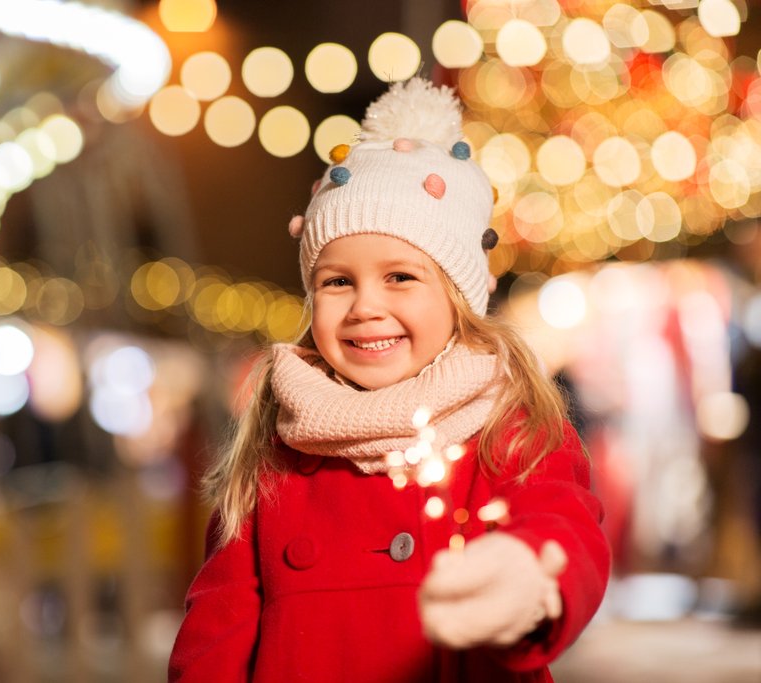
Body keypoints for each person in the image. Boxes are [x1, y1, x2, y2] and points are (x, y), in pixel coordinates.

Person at [168, 77, 610, 683]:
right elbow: (214, 637)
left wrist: (531, 576)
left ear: (457, 297)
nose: (364, 307)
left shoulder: (505, 425)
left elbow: (565, 524)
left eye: (400, 277)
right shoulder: (275, 455)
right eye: (337, 281)